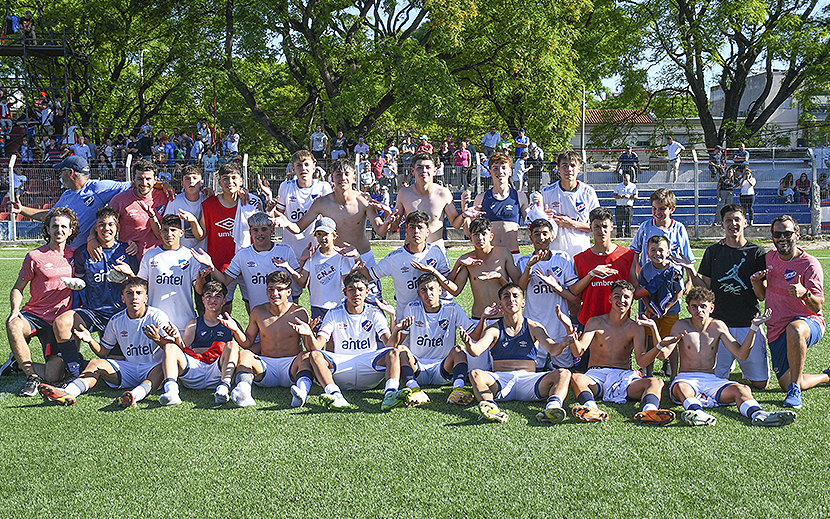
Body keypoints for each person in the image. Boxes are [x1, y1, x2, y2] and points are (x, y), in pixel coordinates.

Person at [665, 287, 795, 427]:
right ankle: (697, 413)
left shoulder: (718, 326)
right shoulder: (680, 325)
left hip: (711, 379)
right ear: (688, 309)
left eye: (703, 306)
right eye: (694, 307)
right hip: (686, 377)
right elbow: (664, 354)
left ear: (711, 308)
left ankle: (759, 414)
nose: (699, 310)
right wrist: (659, 340)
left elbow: (741, 354)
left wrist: (754, 328)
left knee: (742, 389)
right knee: (681, 388)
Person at [37, 277, 175, 407]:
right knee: (95, 363)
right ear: (122, 298)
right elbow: (103, 352)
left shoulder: (157, 316)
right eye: (129, 293)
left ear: (146, 297)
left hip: (152, 368)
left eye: (139, 293)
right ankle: (69, 392)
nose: (134, 297)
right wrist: (90, 340)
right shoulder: (116, 320)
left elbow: (173, 350)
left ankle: (134, 396)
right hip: (129, 368)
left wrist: (157, 339)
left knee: (161, 368)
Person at [271, 158, 396, 301]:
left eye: (346, 174)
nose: (343, 178)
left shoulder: (363, 200)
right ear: (332, 177)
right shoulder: (322, 203)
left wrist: (388, 215)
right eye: (338, 175)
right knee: (336, 305)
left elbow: (380, 231)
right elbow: (299, 227)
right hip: (336, 260)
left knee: (372, 303)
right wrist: (286, 223)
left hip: (362, 257)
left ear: (354, 177)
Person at [673, 203, 769, 389]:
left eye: (737, 219)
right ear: (722, 224)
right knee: (715, 380)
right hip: (718, 325)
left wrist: (756, 282)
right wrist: (690, 270)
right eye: (728, 220)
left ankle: (734, 358)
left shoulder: (756, 252)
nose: (733, 224)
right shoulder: (713, 252)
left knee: (760, 384)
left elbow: (762, 296)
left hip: (748, 323)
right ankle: (728, 358)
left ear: (745, 223)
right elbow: (706, 290)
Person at [563, 280, 681, 425]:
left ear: (632, 301)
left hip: (623, 378)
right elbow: (578, 352)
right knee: (576, 378)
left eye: (626, 297)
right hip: (596, 376)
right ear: (610, 298)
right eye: (617, 296)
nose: (621, 300)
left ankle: (649, 411)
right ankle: (591, 409)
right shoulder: (595, 322)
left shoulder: (635, 328)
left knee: (656, 381)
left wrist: (658, 347)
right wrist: (571, 334)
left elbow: (642, 361)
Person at [458, 283, 573, 424]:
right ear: (501, 303)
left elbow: (553, 349)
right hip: (501, 381)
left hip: (530, 380)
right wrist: (469, 344)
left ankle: (552, 408)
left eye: (515, 295)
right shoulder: (494, 329)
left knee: (564, 373)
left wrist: (563, 343)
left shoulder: (534, 327)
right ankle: (492, 409)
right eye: (506, 296)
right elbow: (476, 351)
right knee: (475, 374)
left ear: (523, 302)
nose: (511, 299)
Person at [288, 272, 402, 411]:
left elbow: (389, 345)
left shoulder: (374, 313)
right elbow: (316, 346)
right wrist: (309, 334)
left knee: (394, 352)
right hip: (340, 368)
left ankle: (390, 394)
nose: (356, 293)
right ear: (345, 292)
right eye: (352, 289)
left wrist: (394, 324)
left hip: (369, 366)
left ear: (367, 292)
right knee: (314, 355)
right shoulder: (334, 313)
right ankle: (335, 394)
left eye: (360, 289)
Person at [50, 207, 139, 381]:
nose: (107, 228)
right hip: (93, 311)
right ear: (95, 228)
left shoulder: (128, 251)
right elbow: (79, 283)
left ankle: (86, 364)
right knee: (62, 323)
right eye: (102, 225)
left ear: (117, 227)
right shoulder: (83, 252)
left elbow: (139, 287)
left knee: (116, 365)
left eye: (111, 224)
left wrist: (130, 274)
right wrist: (76, 286)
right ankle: (74, 370)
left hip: (119, 314)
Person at [221, 271, 333, 408]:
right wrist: (236, 329)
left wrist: (309, 334)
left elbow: (311, 349)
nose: (274, 293)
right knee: (244, 354)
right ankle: (244, 391)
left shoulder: (299, 312)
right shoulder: (258, 311)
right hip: (266, 366)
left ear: (289, 292)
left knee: (305, 356)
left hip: (291, 367)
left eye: (279, 289)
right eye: (271, 289)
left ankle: (301, 392)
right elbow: (247, 343)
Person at [750, 215, 828, 409]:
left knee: (795, 329)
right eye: (778, 234)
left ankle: (795, 390)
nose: (782, 238)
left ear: (797, 234)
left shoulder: (810, 264)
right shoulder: (769, 258)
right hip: (776, 329)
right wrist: (755, 283)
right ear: (772, 236)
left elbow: (817, 306)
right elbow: (761, 296)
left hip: (808, 322)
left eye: (787, 233)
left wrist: (805, 293)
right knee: (787, 382)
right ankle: (826, 376)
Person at [5, 207, 78, 396]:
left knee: (55, 376)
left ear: (71, 230)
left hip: (59, 323)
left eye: (64, 226)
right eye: (54, 226)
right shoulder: (35, 256)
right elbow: (17, 288)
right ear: (47, 229)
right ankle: (32, 376)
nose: (59, 230)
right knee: (13, 325)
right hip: (35, 315)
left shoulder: (78, 255)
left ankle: (17, 363)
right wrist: (15, 310)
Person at [392, 272, 490, 405]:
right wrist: (396, 326)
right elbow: (398, 342)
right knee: (402, 349)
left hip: (443, 369)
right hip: (418, 368)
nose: (428, 294)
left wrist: (483, 318)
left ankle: (458, 390)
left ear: (440, 290)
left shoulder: (452, 308)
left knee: (459, 349)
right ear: (418, 293)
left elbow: (475, 335)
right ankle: (414, 389)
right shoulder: (412, 308)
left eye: (431, 289)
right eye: (423, 290)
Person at [146, 281, 240, 406]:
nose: (213, 299)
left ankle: (224, 388)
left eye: (218, 296)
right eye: (208, 296)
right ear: (202, 300)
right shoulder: (194, 323)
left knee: (232, 345)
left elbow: (247, 344)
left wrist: (236, 330)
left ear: (224, 300)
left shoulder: (231, 323)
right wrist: (176, 337)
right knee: (170, 346)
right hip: (194, 369)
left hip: (217, 371)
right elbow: (183, 349)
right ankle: (171, 391)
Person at [193, 212, 302, 311]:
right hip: (259, 317)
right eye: (255, 230)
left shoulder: (285, 251)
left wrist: (289, 267)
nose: (260, 234)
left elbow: (301, 282)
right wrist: (211, 266)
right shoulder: (243, 255)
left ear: (271, 230)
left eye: (264, 229)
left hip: (284, 313)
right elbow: (225, 281)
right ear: (250, 232)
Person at [193, 162, 262, 311]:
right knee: (223, 311)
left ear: (241, 181)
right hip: (221, 266)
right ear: (219, 182)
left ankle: (254, 336)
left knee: (256, 309)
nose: (230, 182)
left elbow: (264, 231)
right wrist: (193, 221)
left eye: (234, 177)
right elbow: (201, 235)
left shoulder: (252, 202)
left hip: (249, 264)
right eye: (225, 178)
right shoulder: (209, 205)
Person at [516, 219, 579, 370]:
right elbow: (520, 288)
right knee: (533, 372)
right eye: (536, 234)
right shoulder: (524, 261)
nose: (541, 237)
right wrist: (529, 267)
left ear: (552, 236)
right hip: (534, 324)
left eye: (545, 233)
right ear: (531, 238)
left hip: (559, 324)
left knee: (565, 371)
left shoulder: (562, 258)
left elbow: (574, 295)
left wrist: (555, 286)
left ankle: (552, 364)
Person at [366, 210, 451, 317]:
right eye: (412, 227)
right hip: (406, 319)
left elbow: (448, 281)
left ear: (427, 232)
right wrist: (355, 257)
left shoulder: (436, 252)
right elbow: (369, 276)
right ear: (406, 230)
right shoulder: (394, 258)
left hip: (432, 318)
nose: (416, 231)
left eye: (420, 227)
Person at [570, 207, 638, 340]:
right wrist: (591, 274)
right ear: (590, 227)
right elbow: (575, 292)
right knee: (588, 360)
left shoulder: (627, 255)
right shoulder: (580, 259)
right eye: (597, 227)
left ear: (612, 226)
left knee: (621, 361)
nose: (601, 231)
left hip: (619, 323)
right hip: (589, 323)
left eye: (605, 226)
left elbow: (635, 288)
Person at [383, 152, 469, 248]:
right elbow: (393, 226)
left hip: (436, 252)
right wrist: (387, 213)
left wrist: (464, 212)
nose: (423, 171)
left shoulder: (443, 193)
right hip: (412, 254)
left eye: (428, 167)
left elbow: (456, 224)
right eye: (419, 167)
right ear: (412, 171)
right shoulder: (404, 193)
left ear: (434, 171)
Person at [528, 150, 598, 260]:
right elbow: (538, 224)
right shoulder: (547, 192)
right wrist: (543, 216)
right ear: (558, 168)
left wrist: (572, 224)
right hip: (556, 254)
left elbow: (596, 226)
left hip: (581, 252)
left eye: (573, 165)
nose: (569, 170)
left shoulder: (588, 192)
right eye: (564, 166)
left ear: (579, 168)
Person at [464, 152, 529, 261]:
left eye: (504, 167)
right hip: (490, 256)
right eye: (495, 168)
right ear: (490, 172)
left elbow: (532, 224)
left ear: (510, 171)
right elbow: (468, 232)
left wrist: (539, 209)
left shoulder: (520, 196)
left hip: (513, 255)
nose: (500, 171)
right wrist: (464, 208)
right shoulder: (481, 198)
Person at [636, 235, 684, 377]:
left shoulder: (675, 269)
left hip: (670, 312)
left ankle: (674, 375)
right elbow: (642, 291)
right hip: (650, 312)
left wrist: (668, 307)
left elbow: (679, 291)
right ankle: (648, 374)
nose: (657, 253)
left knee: (671, 343)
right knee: (650, 342)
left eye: (661, 250)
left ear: (668, 252)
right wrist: (648, 307)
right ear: (647, 253)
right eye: (653, 250)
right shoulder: (645, 270)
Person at [291, 217, 355, 324]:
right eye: (319, 234)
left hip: (337, 305)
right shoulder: (312, 256)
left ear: (334, 235)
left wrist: (352, 272)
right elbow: (302, 282)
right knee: (320, 337)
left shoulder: (341, 256)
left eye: (326, 234)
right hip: (317, 305)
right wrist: (295, 264)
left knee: (336, 338)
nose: (322, 238)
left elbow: (347, 283)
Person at [272, 150, 333, 261]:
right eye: (299, 165)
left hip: (316, 248)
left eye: (306, 165)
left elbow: (329, 220)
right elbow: (278, 215)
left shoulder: (324, 187)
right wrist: (270, 209)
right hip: (290, 248)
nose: (303, 169)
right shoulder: (286, 187)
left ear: (314, 167)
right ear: (293, 169)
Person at [106, 159, 170, 260]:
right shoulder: (120, 200)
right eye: (140, 178)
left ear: (155, 179)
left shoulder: (166, 196)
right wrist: (122, 244)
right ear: (133, 179)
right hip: (131, 258)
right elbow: (106, 226)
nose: (144, 183)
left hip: (159, 258)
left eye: (148, 179)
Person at [630, 188, 694, 271]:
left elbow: (687, 257)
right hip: (649, 278)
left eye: (662, 209)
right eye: (654, 208)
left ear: (672, 209)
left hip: (674, 278)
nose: (657, 212)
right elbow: (634, 251)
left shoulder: (679, 228)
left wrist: (689, 280)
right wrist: (639, 270)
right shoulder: (645, 227)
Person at [163, 165, 206, 250]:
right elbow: (166, 225)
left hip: (203, 251)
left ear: (201, 183)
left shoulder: (207, 200)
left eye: (195, 178)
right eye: (187, 178)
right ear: (182, 184)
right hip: (182, 252)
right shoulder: (175, 201)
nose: (191, 181)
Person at [612, 172, 637, 238]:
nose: (626, 182)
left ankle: (627, 235)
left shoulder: (633, 186)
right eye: (625, 180)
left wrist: (630, 196)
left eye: (627, 180)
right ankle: (619, 235)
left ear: (629, 179)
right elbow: (614, 195)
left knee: (628, 222)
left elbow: (636, 196)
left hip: (628, 206)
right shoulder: (618, 186)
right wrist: (620, 196)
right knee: (619, 222)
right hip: (620, 206)